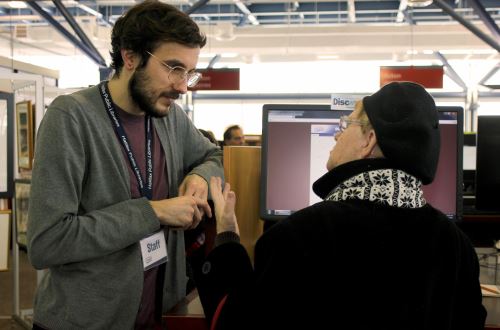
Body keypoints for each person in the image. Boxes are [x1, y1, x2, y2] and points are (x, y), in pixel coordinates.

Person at [195, 82, 486, 330]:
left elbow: (235, 322)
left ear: (369, 141)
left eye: (347, 124)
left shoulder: (297, 237)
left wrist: (227, 238)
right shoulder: (458, 247)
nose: (337, 134)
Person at [27, 1, 223, 329]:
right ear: (130, 57)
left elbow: (212, 156)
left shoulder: (170, 118)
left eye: (189, 73)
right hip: (86, 320)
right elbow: (48, 242)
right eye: (174, 68)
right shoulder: (71, 118)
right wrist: (154, 212)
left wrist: (200, 177)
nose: (183, 86)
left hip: (159, 312)